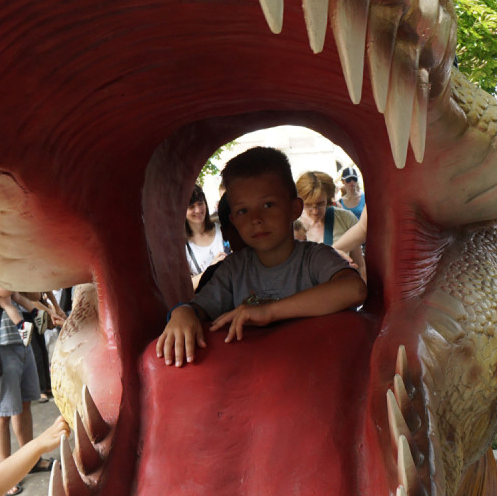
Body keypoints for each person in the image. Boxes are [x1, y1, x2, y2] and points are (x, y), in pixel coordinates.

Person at [157, 147, 367, 365]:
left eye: (268, 205)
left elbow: (355, 289)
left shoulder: (314, 258)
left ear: (294, 209)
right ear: (234, 220)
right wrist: (182, 313)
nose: (255, 218)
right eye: (243, 211)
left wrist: (269, 312)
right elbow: (199, 308)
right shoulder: (233, 269)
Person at [0, 268, 51, 489]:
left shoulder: (1, 268)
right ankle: (6, 474)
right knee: (2, 411)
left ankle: (30, 460)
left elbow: (32, 293)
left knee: (25, 405)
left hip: (21, 340)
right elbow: (5, 289)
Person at [184, 187, 225, 284]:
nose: (198, 210)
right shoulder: (183, 247)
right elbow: (186, 286)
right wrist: (210, 270)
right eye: (191, 206)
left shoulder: (223, 230)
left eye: (200, 203)